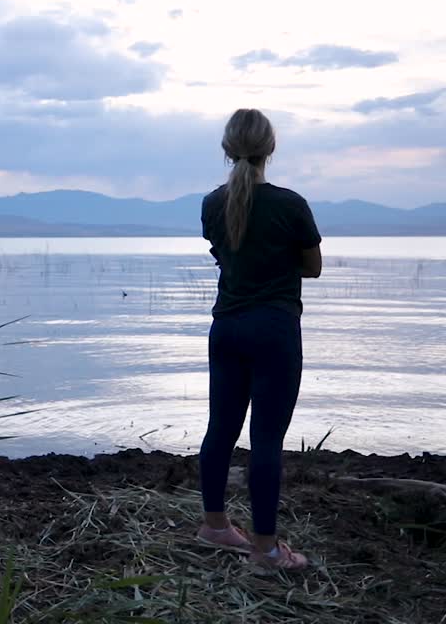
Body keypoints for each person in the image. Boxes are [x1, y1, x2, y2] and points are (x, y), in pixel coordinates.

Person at [193, 108, 322, 573]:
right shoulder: (291, 204)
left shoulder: (211, 204)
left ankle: (214, 526)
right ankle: (265, 551)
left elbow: (225, 257)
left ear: (227, 150)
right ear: (271, 148)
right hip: (274, 330)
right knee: (266, 440)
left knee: (220, 430)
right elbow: (312, 266)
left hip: (226, 328)